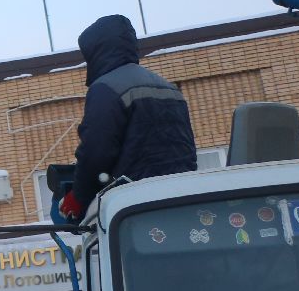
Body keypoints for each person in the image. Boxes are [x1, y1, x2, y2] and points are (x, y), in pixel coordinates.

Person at [54, 14, 196, 223]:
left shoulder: (106, 88)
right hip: (183, 198)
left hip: (135, 205)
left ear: (96, 51)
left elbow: (96, 152)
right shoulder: (168, 87)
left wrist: (78, 197)